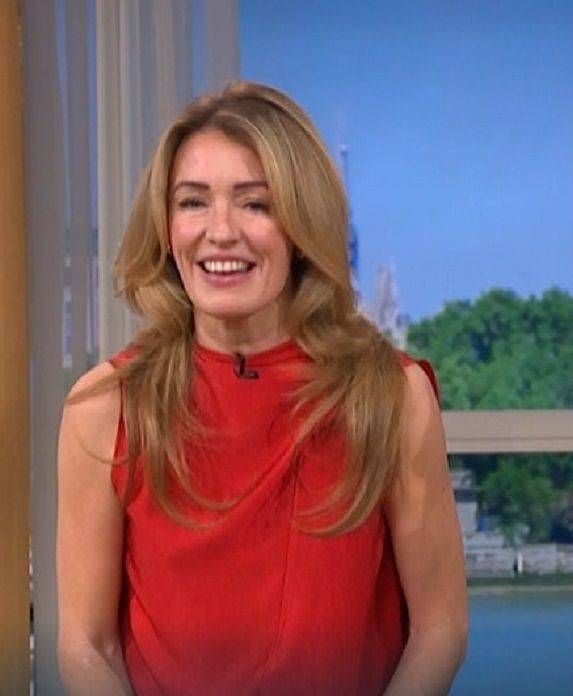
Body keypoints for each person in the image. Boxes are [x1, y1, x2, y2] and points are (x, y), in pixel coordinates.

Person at [56, 82, 467, 695]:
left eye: (255, 204)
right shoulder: (104, 407)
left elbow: (440, 629)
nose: (220, 233)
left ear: (301, 225)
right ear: (166, 227)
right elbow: (88, 644)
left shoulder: (391, 398)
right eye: (193, 203)